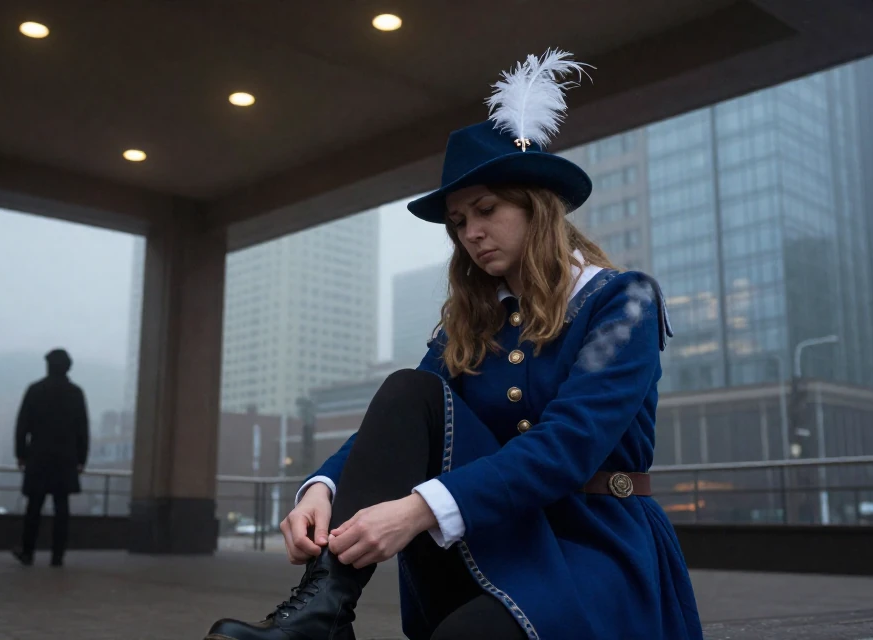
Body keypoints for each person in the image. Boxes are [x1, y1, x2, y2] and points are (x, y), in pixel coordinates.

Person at [207, 49, 702, 640]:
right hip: (502, 534)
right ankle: (323, 614)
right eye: (459, 222)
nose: (471, 233)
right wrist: (322, 487)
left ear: (537, 206)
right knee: (410, 388)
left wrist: (417, 509)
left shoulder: (622, 301)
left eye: (486, 210)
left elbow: (569, 444)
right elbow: (400, 424)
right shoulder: (471, 324)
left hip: (595, 542)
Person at [12, 348, 90, 568]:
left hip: (38, 456)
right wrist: (81, 458)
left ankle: (28, 552)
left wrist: (21, 454)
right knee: (61, 507)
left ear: (48, 366)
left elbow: (22, 426)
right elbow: (82, 429)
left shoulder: (35, 390)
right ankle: (58, 556)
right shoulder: (75, 393)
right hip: (65, 458)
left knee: (34, 506)